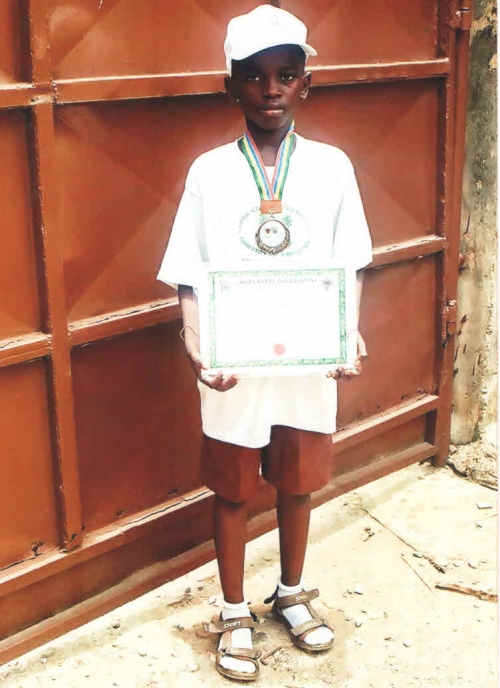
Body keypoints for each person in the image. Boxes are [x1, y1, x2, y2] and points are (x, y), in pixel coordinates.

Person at [157, 5, 372, 682]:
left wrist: (347, 332)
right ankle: (232, 608)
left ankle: (290, 592)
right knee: (232, 489)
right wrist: (197, 345)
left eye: (285, 74)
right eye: (254, 76)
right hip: (234, 361)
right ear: (232, 86)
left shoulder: (333, 167)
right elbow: (189, 272)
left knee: (299, 482)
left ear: (308, 81)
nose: (271, 89)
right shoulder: (210, 171)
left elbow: (351, 261)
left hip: (307, 358)